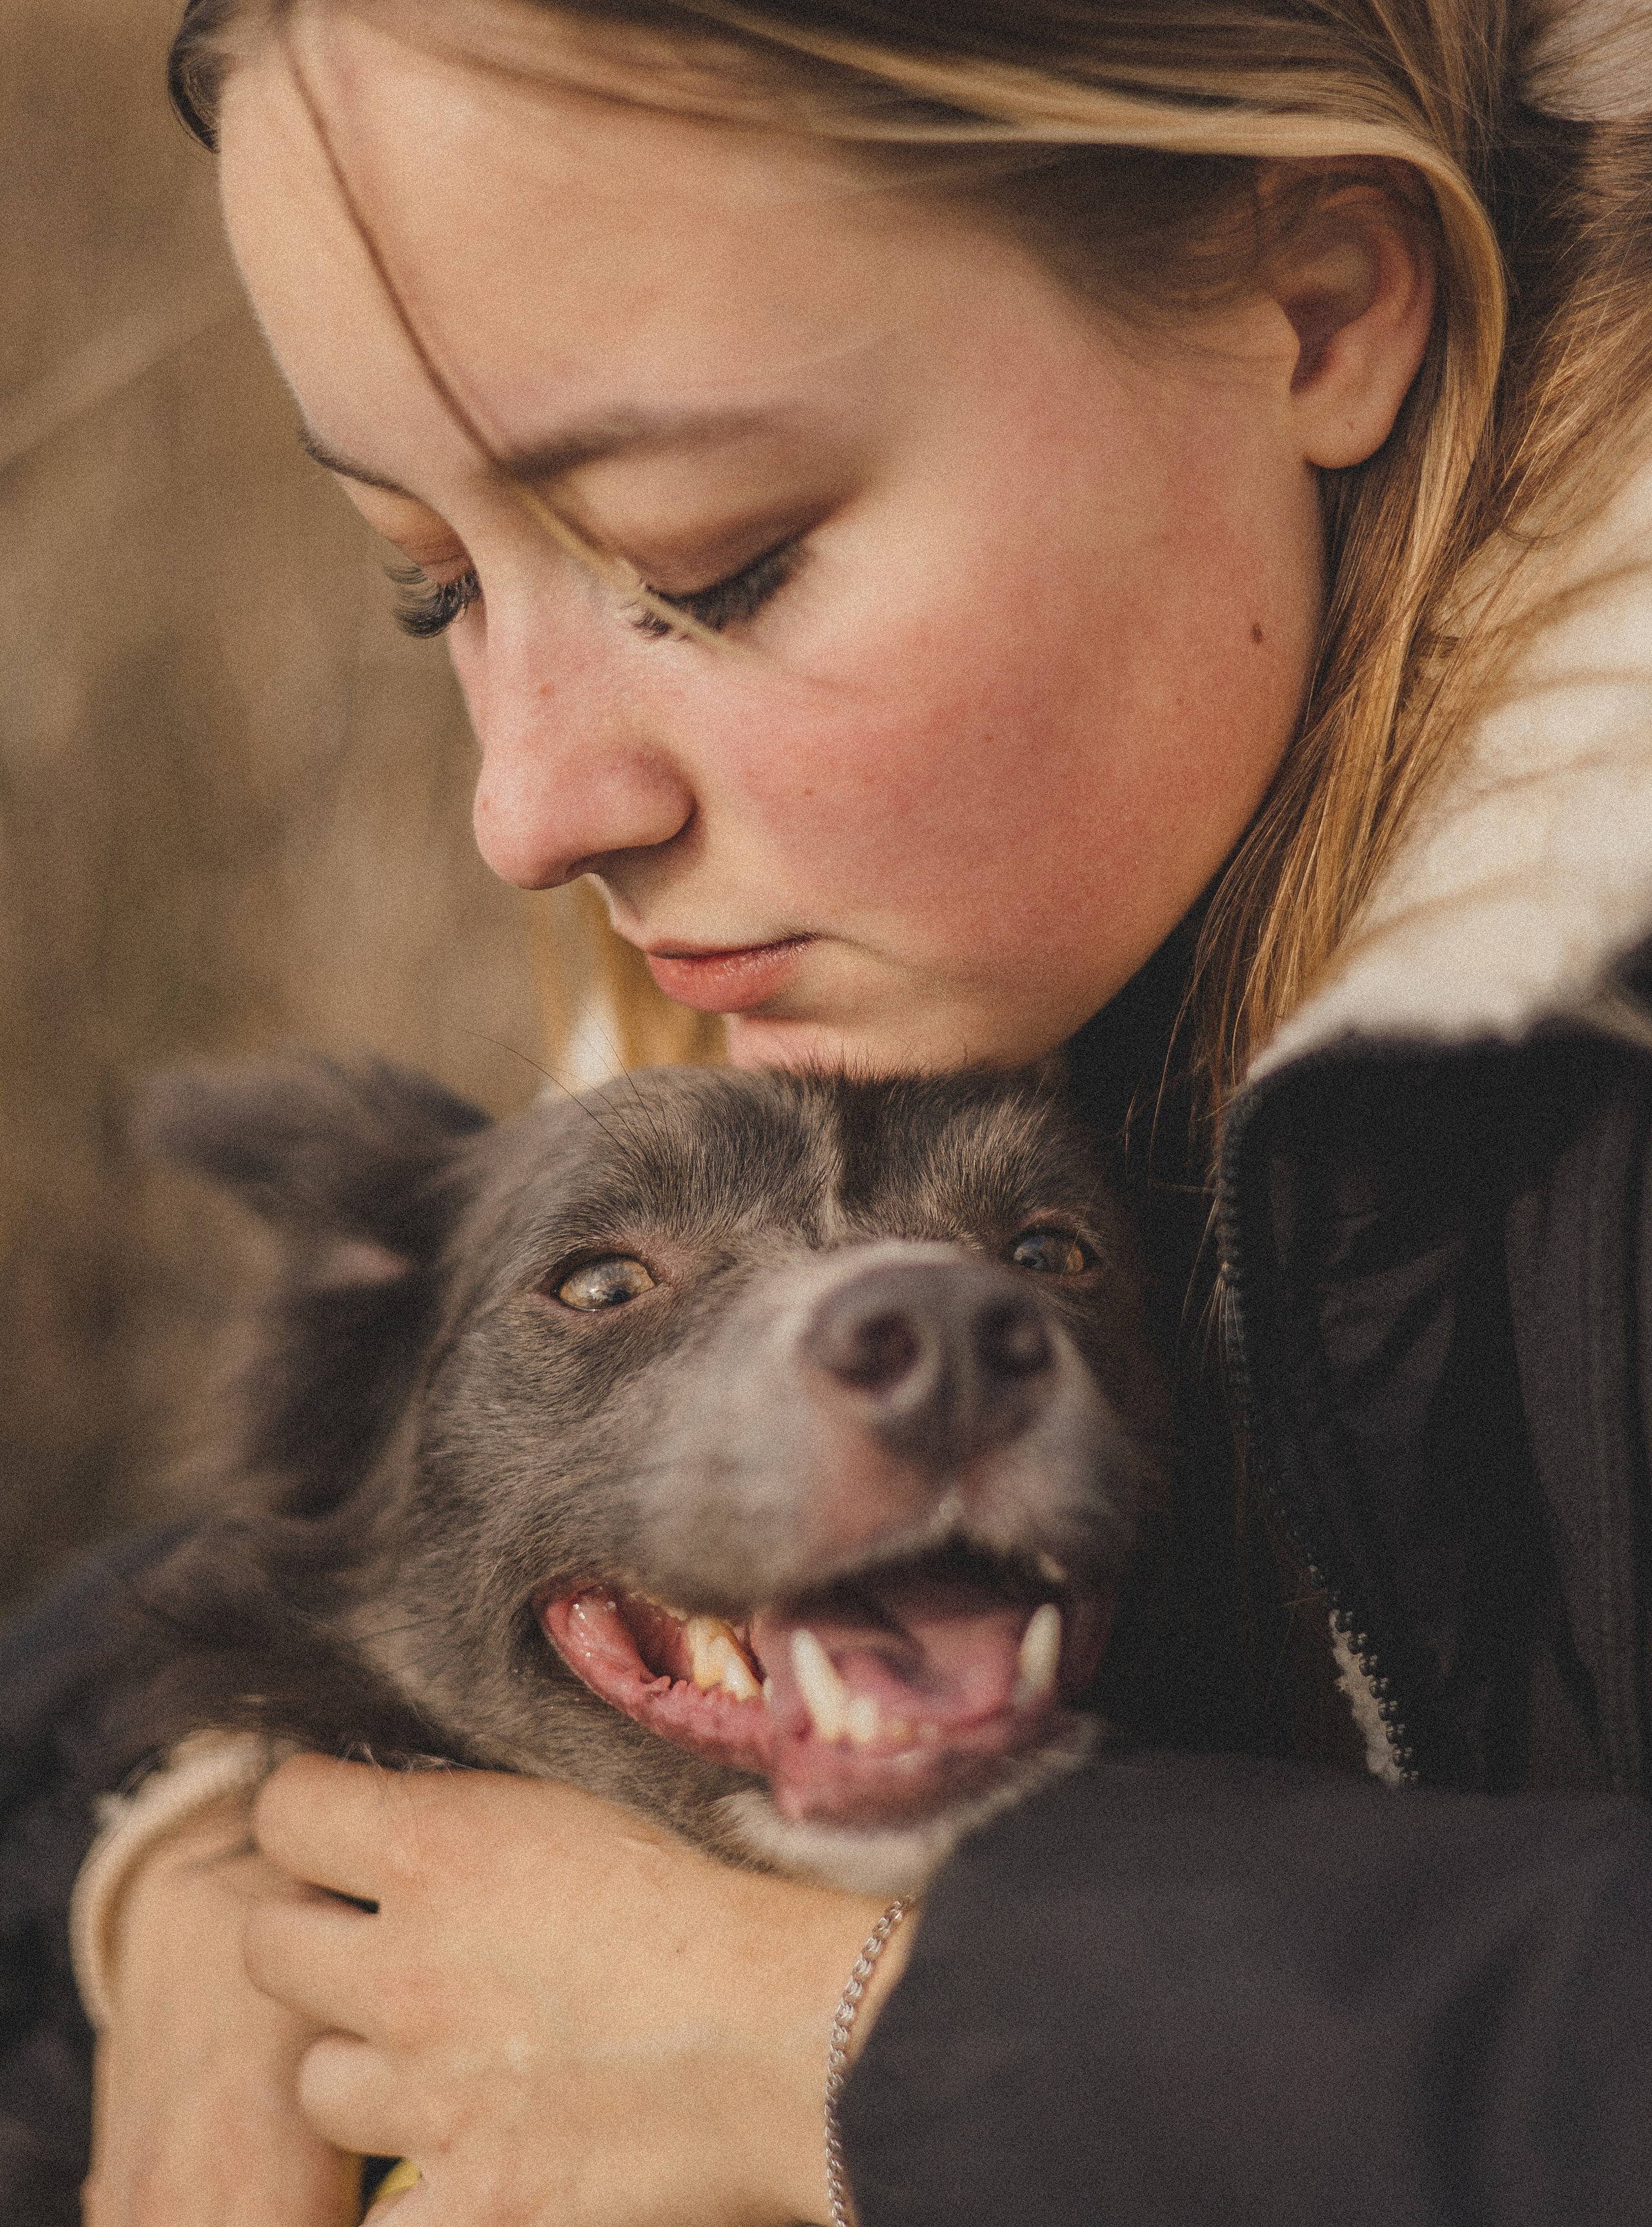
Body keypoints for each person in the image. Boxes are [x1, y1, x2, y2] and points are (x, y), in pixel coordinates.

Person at [14, 0, 1652, 2219]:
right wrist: (213, 1867)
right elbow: (220, 1588)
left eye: (717, 561)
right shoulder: (1030, 907)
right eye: (436, 589)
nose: (528, 807)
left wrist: (858, 2036)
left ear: (1322, 308)